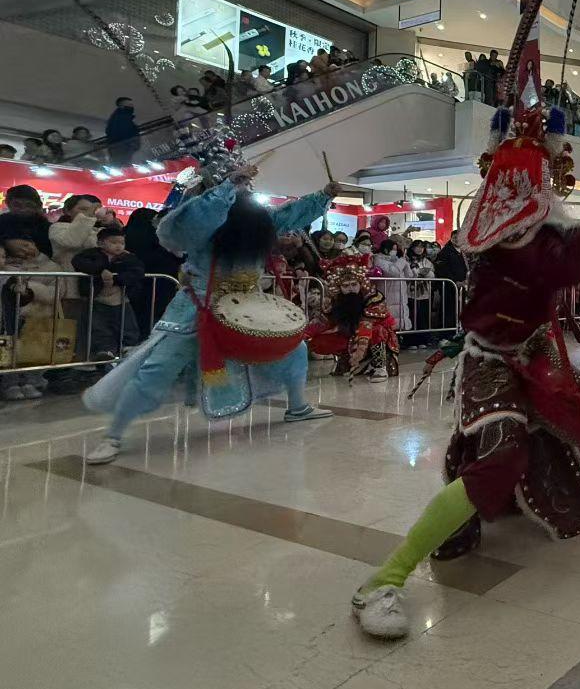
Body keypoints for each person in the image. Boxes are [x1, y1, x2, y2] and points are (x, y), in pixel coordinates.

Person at [348, 103, 580, 639]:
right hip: (491, 361)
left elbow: (558, 262)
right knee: (501, 457)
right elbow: (560, 265)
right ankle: (383, 580)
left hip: (527, 350)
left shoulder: (500, 226)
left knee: (564, 413)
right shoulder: (518, 240)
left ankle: (579, 463)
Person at [80, 147, 339, 465]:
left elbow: (289, 216)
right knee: (157, 369)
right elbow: (194, 222)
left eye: (245, 186)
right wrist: (228, 187)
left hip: (247, 304)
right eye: (237, 185)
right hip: (196, 306)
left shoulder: (259, 220)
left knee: (294, 349)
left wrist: (324, 195)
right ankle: (113, 435)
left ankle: (297, 407)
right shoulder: (203, 220)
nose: (245, 190)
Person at [304, 256, 399, 382]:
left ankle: (380, 367)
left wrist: (359, 352)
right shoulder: (336, 300)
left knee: (378, 330)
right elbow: (322, 322)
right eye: (345, 286)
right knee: (319, 340)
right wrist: (302, 336)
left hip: (373, 337)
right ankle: (348, 361)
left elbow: (367, 325)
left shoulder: (373, 297)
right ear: (339, 287)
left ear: (361, 283)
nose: (350, 289)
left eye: (354, 284)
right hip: (351, 336)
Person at [1, 232, 63, 399]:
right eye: (20, 247)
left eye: (28, 245)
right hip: (11, 318)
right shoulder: (7, 270)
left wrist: (30, 289)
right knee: (9, 350)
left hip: (37, 317)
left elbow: (55, 293)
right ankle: (10, 383)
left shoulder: (51, 267)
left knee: (33, 351)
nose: (26, 250)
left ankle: (32, 380)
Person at [71, 226, 144, 358]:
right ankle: (105, 349)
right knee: (99, 326)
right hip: (97, 298)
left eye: (122, 243)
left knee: (127, 324)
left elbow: (137, 272)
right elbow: (77, 262)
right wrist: (101, 270)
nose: (119, 246)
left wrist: (116, 279)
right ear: (100, 243)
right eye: (114, 242)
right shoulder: (90, 254)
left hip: (121, 299)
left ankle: (128, 347)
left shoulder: (128, 258)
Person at [0, 184, 52, 257]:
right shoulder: (2, 221)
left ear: (37, 207)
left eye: (29, 205)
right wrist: (6, 243)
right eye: (17, 205)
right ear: (8, 204)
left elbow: (53, 255)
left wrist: (38, 254)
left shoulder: (48, 227)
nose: (23, 209)